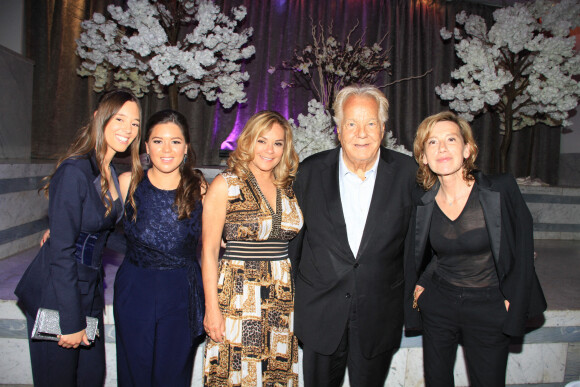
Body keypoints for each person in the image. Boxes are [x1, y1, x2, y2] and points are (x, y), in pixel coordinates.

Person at [404, 111, 547, 386]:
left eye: (450, 139)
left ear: (468, 149)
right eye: (432, 143)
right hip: (440, 303)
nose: (442, 148)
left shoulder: (500, 189)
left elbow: (522, 249)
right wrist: (422, 284)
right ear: (423, 156)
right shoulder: (423, 200)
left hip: (489, 304)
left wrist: (510, 299)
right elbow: (431, 251)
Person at [289, 84, 417, 387]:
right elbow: (293, 241)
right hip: (321, 313)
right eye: (351, 123)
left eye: (370, 122)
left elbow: (419, 240)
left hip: (379, 314)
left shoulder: (408, 174)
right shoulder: (310, 172)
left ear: (383, 128)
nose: (362, 133)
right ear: (338, 129)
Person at [14, 89, 142, 387]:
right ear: (99, 117)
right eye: (120, 118)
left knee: (91, 378)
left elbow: (101, 235)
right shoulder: (75, 170)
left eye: (135, 123)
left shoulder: (108, 169)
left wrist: (153, 250)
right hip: (57, 295)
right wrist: (71, 322)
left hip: (89, 291)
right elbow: (61, 252)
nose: (128, 129)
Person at [202, 110, 303, 386]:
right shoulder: (226, 184)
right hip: (237, 295)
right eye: (262, 140)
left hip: (281, 299)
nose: (270, 150)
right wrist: (212, 308)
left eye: (278, 143)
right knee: (234, 372)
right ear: (248, 141)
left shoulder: (289, 187)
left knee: (276, 374)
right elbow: (209, 252)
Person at [113, 109, 206, 386]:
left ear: (186, 147)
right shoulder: (128, 182)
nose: (167, 149)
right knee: (134, 372)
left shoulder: (198, 187)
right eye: (157, 141)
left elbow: (221, 238)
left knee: (173, 375)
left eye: (175, 141)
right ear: (146, 146)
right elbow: (95, 222)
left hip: (181, 290)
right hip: (135, 287)